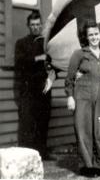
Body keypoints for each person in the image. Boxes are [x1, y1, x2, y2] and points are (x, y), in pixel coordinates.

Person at [65, 20, 100, 177]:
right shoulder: (79, 54)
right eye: (91, 34)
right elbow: (69, 78)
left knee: (97, 131)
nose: (94, 37)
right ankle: (87, 167)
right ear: (86, 37)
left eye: (96, 33)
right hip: (82, 96)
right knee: (83, 131)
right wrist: (70, 97)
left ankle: (95, 166)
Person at [14, 10, 52, 159]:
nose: (35, 27)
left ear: (41, 25)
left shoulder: (46, 42)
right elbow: (20, 63)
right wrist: (38, 58)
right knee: (27, 122)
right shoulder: (21, 43)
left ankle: (42, 153)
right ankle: (26, 155)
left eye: (38, 24)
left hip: (44, 87)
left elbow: (52, 61)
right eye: (32, 25)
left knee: (43, 120)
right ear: (28, 26)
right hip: (28, 88)